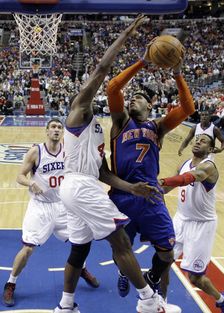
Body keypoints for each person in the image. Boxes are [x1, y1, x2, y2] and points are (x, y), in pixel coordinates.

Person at [54, 16, 166, 313]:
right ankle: (148, 300)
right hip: (79, 186)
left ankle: (65, 306)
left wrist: (132, 188)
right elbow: (103, 69)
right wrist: (128, 33)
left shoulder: (97, 129)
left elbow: (103, 172)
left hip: (78, 186)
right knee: (121, 243)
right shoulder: (78, 110)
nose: (92, 91)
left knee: (80, 250)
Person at [106, 44, 195, 313]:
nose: (132, 99)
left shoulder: (158, 127)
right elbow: (113, 88)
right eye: (131, 97)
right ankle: (126, 273)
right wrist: (142, 61)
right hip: (123, 196)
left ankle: (152, 278)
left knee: (167, 253)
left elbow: (188, 108)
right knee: (121, 250)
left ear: (150, 104)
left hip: (151, 197)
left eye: (138, 97)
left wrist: (178, 73)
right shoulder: (121, 121)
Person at [2, 118, 99, 307]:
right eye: (53, 127)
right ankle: (10, 283)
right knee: (28, 248)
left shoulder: (67, 151)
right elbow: (20, 176)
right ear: (46, 131)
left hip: (63, 205)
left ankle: (82, 268)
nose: (56, 130)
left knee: (79, 242)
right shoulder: (35, 151)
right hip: (41, 207)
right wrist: (31, 183)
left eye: (59, 128)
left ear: (62, 132)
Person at [158, 133, 224, 313]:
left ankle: (222, 300)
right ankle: (161, 303)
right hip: (181, 220)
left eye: (203, 141)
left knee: (195, 278)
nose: (197, 142)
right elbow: (167, 188)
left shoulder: (209, 167)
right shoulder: (184, 163)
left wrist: (163, 181)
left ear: (210, 149)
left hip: (202, 225)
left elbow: (195, 175)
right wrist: (151, 189)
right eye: (196, 139)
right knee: (162, 262)